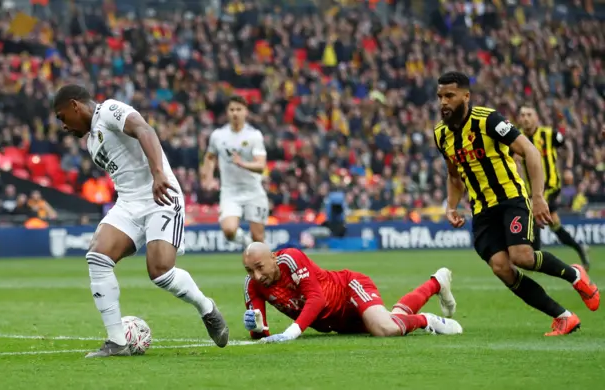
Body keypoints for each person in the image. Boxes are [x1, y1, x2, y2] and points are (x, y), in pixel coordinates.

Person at [52, 84, 229, 357]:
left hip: (160, 195)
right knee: (97, 257)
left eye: (62, 117)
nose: (63, 125)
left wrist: (159, 173)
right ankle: (117, 342)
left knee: (160, 272)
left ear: (75, 105)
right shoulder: (90, 141)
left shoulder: (110, 110)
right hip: (128, 203)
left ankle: (207, 308)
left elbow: (145, 130)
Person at [433, 71, 599, 336]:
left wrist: (538, 196)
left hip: (511, 198)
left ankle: (575, 275)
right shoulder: (441, 135)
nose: (443, 102)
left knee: (522, 256)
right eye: (440, 96)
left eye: (449, 96)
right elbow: (454, 176)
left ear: (466, 96)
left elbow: (530, 151)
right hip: (481, 209)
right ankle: (563, 316)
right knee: (501, 267)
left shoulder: (489, 120)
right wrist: (451, 207)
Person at [242, 242, 463, 343]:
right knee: (393, 320)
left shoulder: (290, 258)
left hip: (349, 290)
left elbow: (316, 299)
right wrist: (257, 327)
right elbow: (263, 337)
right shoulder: (252, 286)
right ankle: (436, 283)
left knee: (384, 329)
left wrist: (291, 333)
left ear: (272, 257)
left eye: (260, 267)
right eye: (250, 270)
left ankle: (427, 320)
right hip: (338, 322)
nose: (257, 276)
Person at [517, 105, 590, 269]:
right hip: (531, 189)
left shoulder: (549, 134)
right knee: (554, 225)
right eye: (522, 115)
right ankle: (580, 248)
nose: (526, 118)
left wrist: (569, 168)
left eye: (529, 114)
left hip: (550, 186)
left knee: (533, 212)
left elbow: (568, 146)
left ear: (536, 117)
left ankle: (534, 258)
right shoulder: (517, 137)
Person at [201, 96, 268, 247]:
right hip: (230, 191)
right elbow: (210, 157)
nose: (235, 113)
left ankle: (262, 262)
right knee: (229, 231)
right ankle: (247, 244)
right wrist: (208, 178)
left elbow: (261, 166)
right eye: (232, 110)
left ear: (246, 112)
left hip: (253, 190)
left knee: (258, 236)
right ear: (227, 112)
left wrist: (242, 163)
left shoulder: (254, 136)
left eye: (239, 109)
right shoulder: (218, 135)